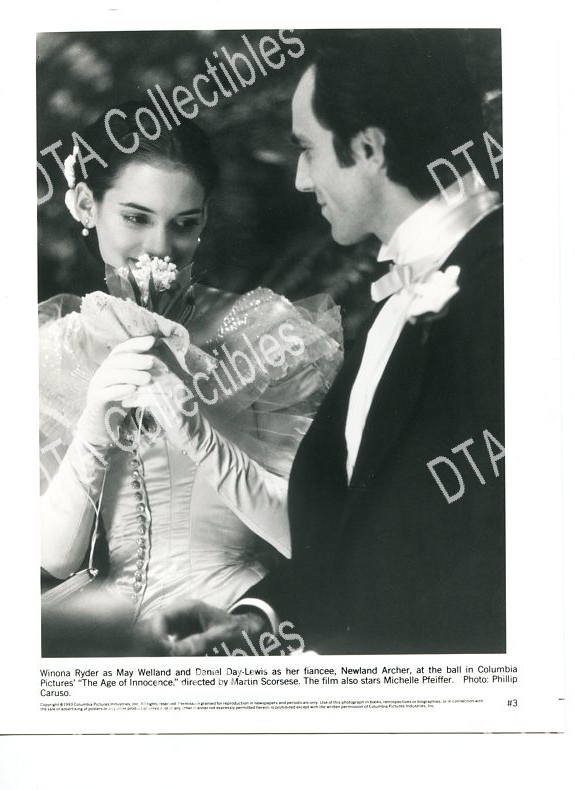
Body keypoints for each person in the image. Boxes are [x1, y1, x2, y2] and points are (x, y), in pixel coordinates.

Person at [150, 30, 506, 656]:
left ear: (368, 148)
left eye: (307, 150)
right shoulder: (398, 296)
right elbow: (364, 531)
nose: (298, 179)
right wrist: (262, 618)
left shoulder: (510, 286)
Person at [39, 101, 342, 650]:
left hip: (237, 629)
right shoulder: (55, 348)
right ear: (86, 204)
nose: (161, 248)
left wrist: (202, 437)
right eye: (136, 218)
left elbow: (317, 538)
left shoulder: (264, 334)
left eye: (184, 224)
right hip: (108, 642)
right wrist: (92, 429)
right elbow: (53, 561)